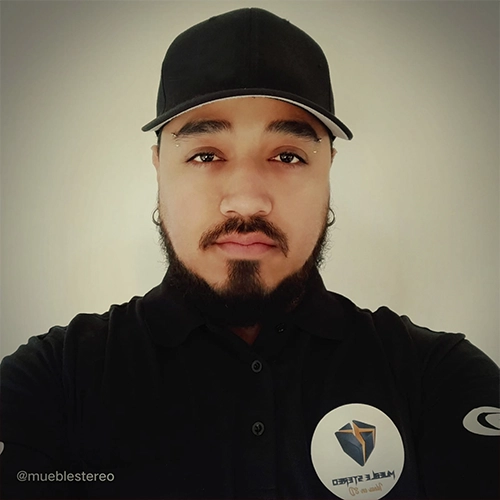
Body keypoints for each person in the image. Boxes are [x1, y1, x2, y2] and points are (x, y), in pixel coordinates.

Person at [1, 7, 498, 500]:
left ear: (328, 169)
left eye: (288, 156)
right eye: (205, 155)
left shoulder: (435, 377)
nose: (246, 200)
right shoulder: (56, 380)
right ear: (158, 167)